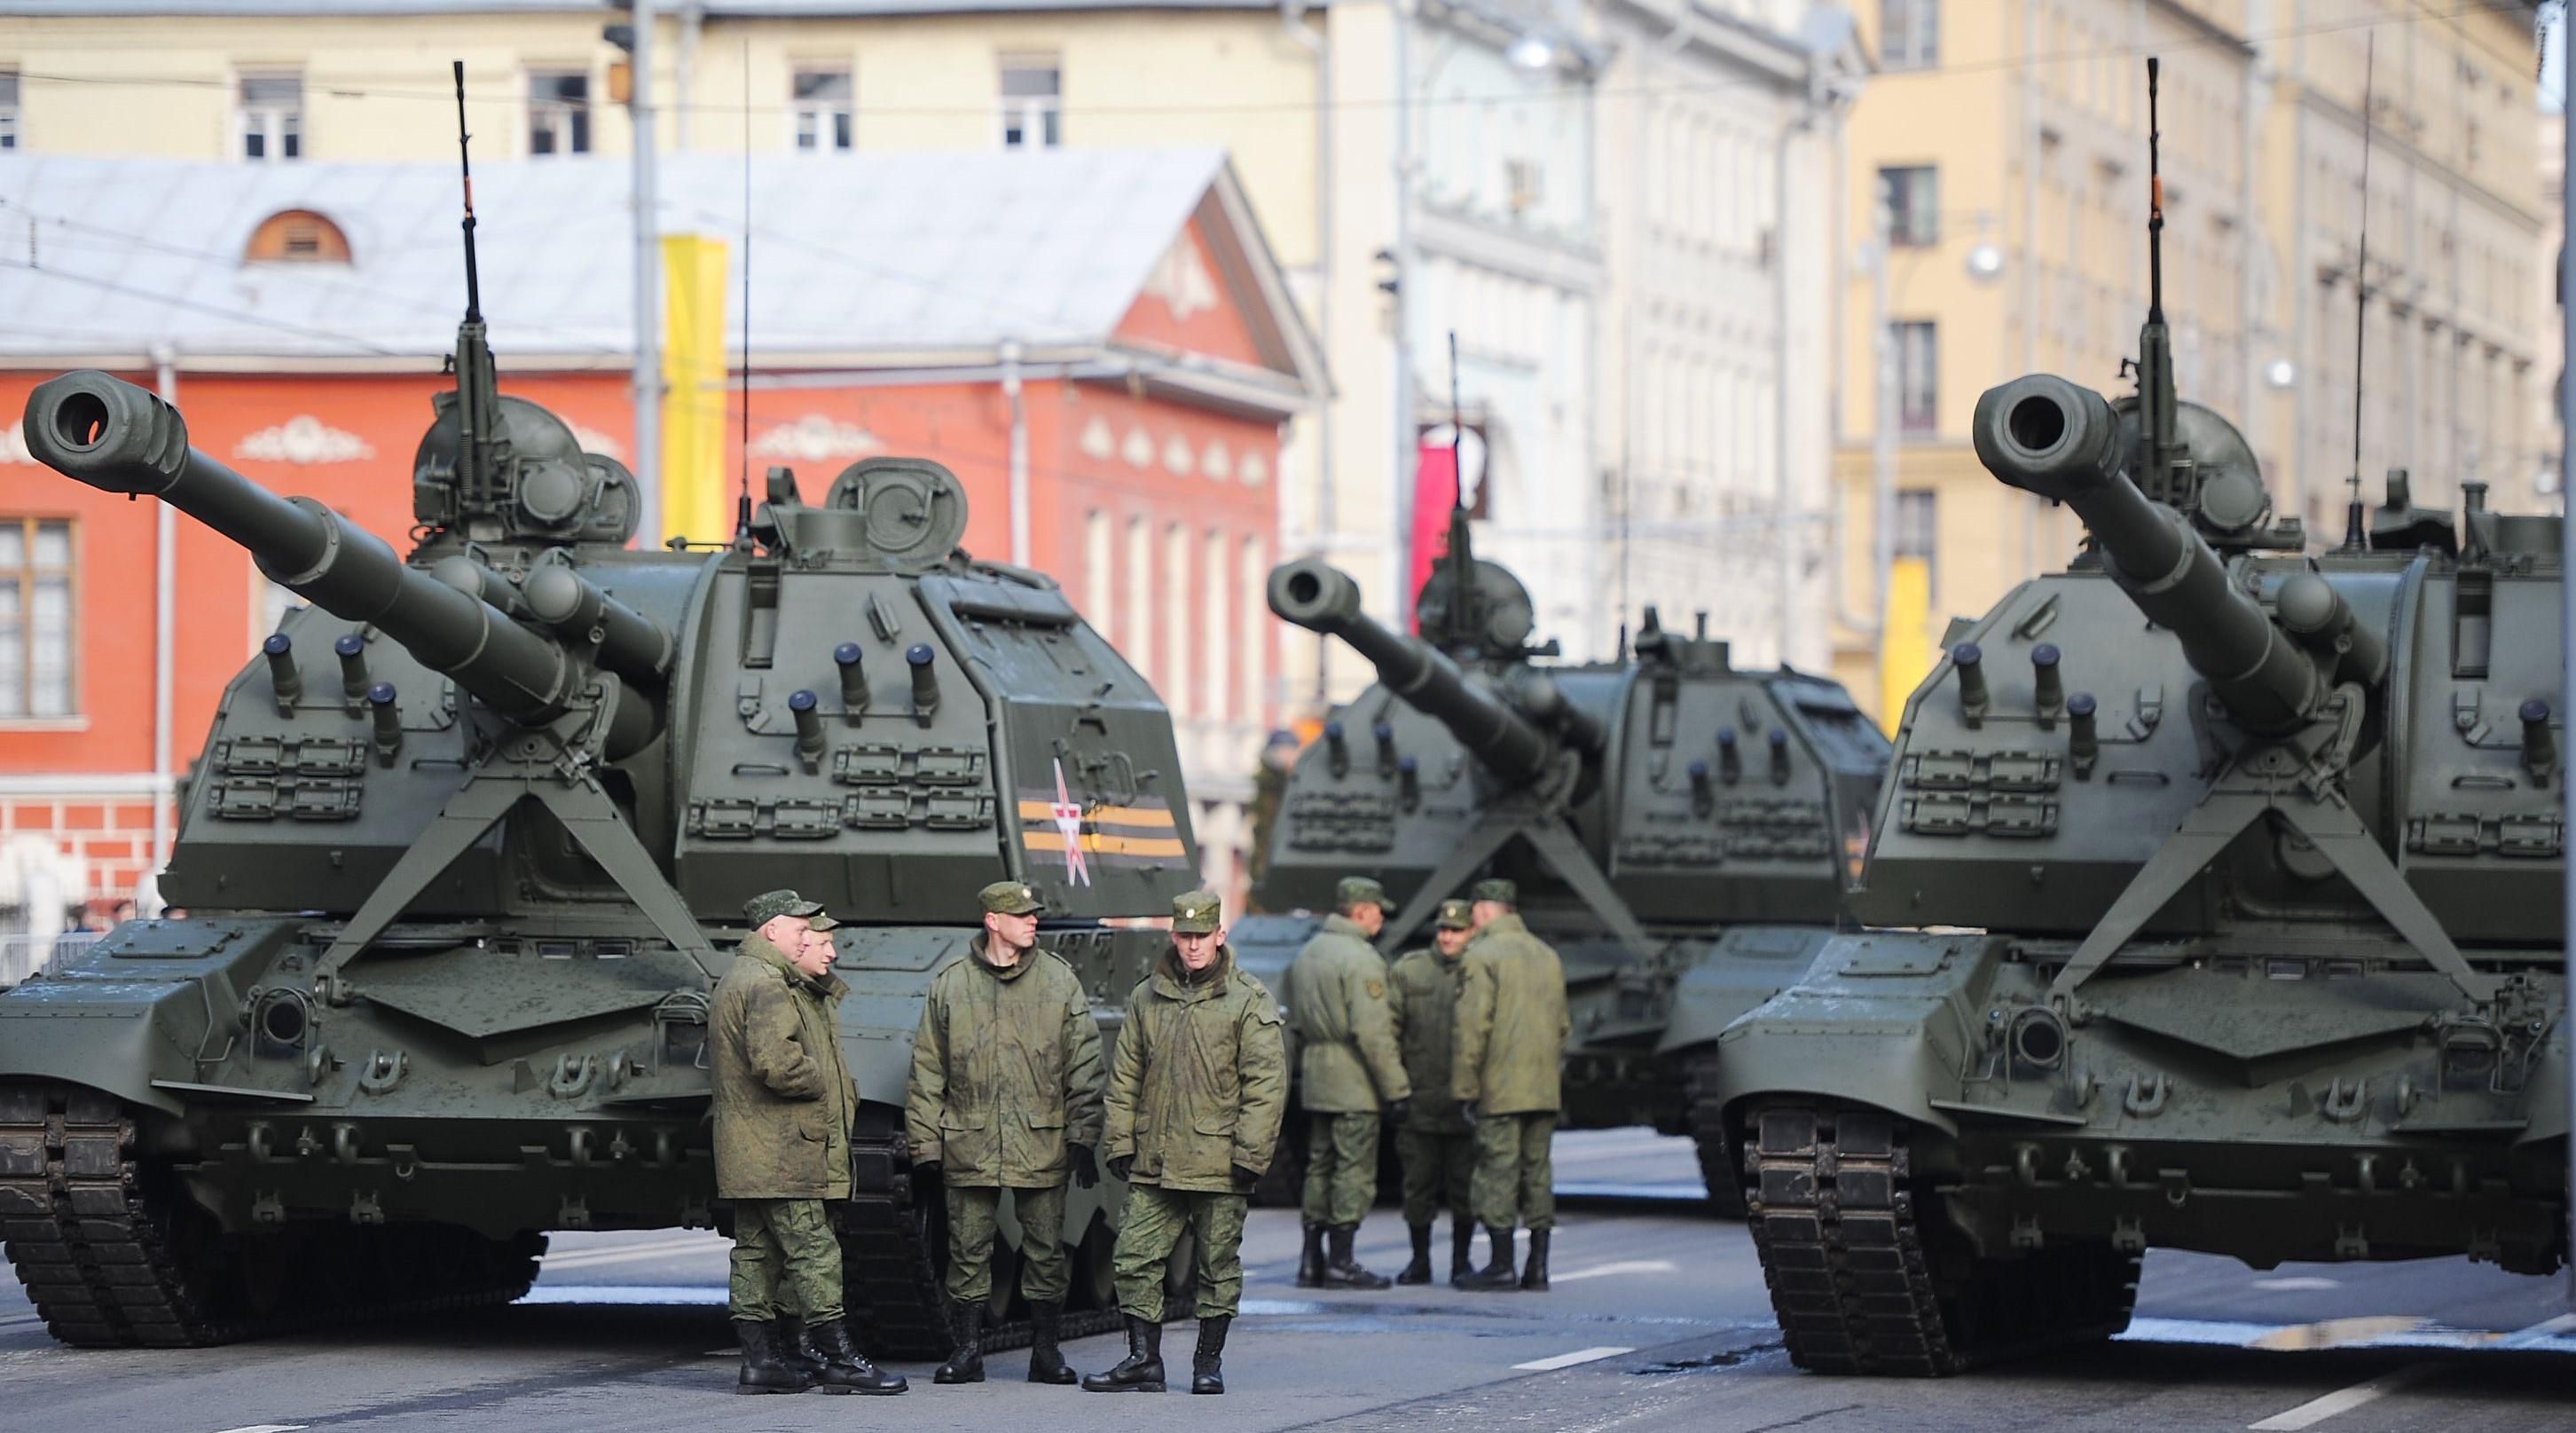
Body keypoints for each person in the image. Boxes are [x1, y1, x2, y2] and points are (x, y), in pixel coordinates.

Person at [1086, 890, 1285, 1397]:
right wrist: (1120, 1142)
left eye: (1202, 936)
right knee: (1133, 1259)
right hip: (1155, 1159)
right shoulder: (1147, 996)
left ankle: (1208, 1362)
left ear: (1220, 936)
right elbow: (1125, 1076)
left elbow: (1265, 1086)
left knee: (1217, 1267)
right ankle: (1143, 1360)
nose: (1193, 946)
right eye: (1184, 936)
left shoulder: (1248, 999)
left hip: (1220, 1162)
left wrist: (1250, 1155)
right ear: (1172, 936)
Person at [907, 879, 1105, 1386]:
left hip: (1041, 1141)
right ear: (992, 921)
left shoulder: (1059, 983)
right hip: (969, 1139)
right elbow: (928, 1071)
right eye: (1020, 915)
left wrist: (1083, 1138)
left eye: (1033, 913)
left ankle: (1046, 1351)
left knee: (1046, 1251)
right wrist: (926, 1145)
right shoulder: (951, 984)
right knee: (967, 1251)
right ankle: (967, 1350)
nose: (1032, 920)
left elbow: (1086, 1065)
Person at [711, 889, 907, 1396]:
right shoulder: (767, 984)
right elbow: (778, 1066)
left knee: (756, 1251)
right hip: (782, 1149)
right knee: (815, 1249)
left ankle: (761, 1362)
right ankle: (842, 1358)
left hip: (753, 1148)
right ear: (771, 931)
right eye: (803, 932)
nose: (817, 944)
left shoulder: (742, 977)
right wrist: (828, 1081)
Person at [1282, 874, 1410, 1289]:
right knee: (1353, 1169)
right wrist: (1397, 1089)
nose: (1381, 920)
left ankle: (1311, 1260)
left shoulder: (1308, 954)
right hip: (1354, 1079)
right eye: (1377, 912)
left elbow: (1294, 1025)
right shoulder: (1362, 959)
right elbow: (1373, 1034)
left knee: (1319, 1166)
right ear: (1361, 912)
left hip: (1318, 1078)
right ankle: (1342, 1260)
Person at [1449, 878, 1568, 1292]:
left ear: (1482, 911)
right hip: (1542, 1086)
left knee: (1497, 1171)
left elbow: (1471, 1030)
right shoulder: (1547, 955)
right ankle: (1538, 1267)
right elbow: (1563, 1026)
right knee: (1537, 1172)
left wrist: (1466, 1088)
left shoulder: (1481, 955)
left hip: (1500, 1088)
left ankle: (1501, 1264)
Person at [1387, 898, 1478, 1286]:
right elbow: (1388, 1029)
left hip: (1464, 1104)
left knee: (1465, 1189)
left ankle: (1462, 1261)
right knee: (1418, 1188)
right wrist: (1396, 1086)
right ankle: (1419, 1260)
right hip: (1420, 1099)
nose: (1447, 937)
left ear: (1470, 933)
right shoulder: (1411, 971)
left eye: (1456, 930)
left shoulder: (1481, 971)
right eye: (1443, 929)